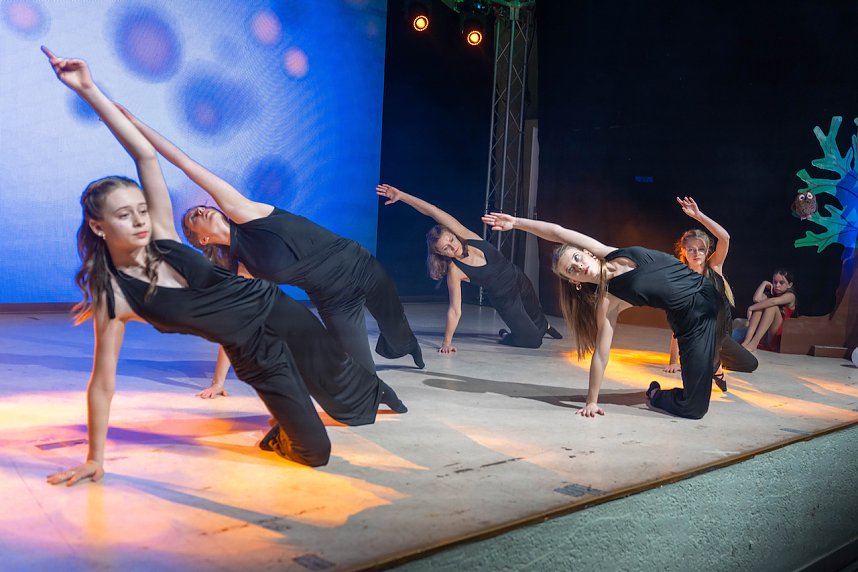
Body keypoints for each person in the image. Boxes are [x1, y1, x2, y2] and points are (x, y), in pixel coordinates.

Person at [42, 48, 405, 484]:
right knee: (315, 453)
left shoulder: (161, 237)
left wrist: (87, 88)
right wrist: (95, 457)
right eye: (124, 215)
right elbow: (102, 383)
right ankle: (282, 434)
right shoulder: (115, 296)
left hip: (277, 309)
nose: (140, 220)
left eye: (141, 208)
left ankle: (374, 391)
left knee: (347, 397)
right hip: (254, 352)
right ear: (98, 227)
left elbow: (146, 157)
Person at [110, 108, 423, 399]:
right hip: (334, 300)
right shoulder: (245, 266)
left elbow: (185, 163)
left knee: (395, 327)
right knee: (361, 380)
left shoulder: (244, 211)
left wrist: (135, 124)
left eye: (203, 207)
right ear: (202, 239)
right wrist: (219, 381)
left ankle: (405, 343)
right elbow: (234, 325)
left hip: (357, 265)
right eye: (195, 216)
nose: (203, 209)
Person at [482, 211, 729, 420]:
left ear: (587, 253)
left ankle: (712, 364)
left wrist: (516, 223)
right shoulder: (608, 301)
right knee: (694, 409)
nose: (578, 265)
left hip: (714, 299)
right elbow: (601, 353)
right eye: (571, 270)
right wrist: (591, 401)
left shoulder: (609, 251)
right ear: (574, 281)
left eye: (577, 257)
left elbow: (557, 231)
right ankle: (656, 394)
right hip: (693, 324)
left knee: (737, 359)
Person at [376, 184, 562, 352]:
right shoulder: (455, 272)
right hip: (505, 300)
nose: (452, 247)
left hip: (517, 276)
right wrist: (446, 343)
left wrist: (401, 196)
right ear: (441, 254)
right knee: (532, 341)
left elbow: (433, 211)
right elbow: (455, 310)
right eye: (445, 249)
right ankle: (507, 336)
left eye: (450, 240)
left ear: (454, 234)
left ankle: (544, 326)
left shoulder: (468, 236)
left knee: (535, 312)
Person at [664, 197, 757, 391]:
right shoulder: (682, 279)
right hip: (698, 337)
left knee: (750, 364)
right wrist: (673, 361)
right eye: (691, 249)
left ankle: (715, 364)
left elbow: (725, 238)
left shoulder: (714, 268)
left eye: (701, 249)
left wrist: (699, 216)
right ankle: (713, 367)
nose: (696, 253)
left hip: (722, 334)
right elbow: (678, 325)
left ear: (707, 251)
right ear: (683, 251)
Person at [741, 269, 797, 352]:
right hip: (765, 337)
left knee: (771, 307)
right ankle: (747, 341)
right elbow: (756, 299)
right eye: (775, 282)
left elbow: (773, 302)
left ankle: (754, 342)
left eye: (781, 283)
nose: (777, 285)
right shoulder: (770, 294)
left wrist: (751, 308)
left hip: (778, 338)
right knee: (760, 306)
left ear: (789, 285)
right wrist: (764, 283)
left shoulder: (790, 296)